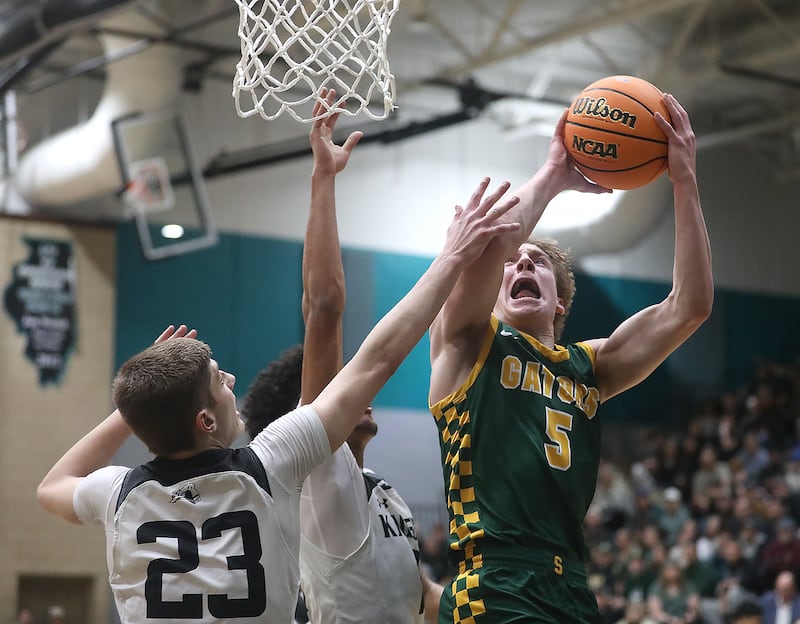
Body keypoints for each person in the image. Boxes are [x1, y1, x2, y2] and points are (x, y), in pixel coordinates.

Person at [36, 166, 522, 621]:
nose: (231, 385)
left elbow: (52, 485)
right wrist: (452, 257)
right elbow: (376, 356)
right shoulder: (269, 464)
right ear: (205, 421)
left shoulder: (119, 493)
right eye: (219, 382)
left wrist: (142, 397)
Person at [428, 93, 713, 623]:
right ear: (494, 290)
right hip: (494, 581)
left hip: (572, 587)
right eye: (512, 265)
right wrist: (555, 172)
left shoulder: (590, 366)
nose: (521, 266)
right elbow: (493, 246)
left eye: (536, 264)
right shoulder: (467, 340)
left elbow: (689, 306)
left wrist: (683, 180)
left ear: (560, 300)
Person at [243, 88, 443, 623]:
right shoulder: (317, 473)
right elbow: (324, 308)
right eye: (335, 388)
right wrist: (323, 181)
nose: (361, 391)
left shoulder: (383, 490)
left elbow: (423, 597)